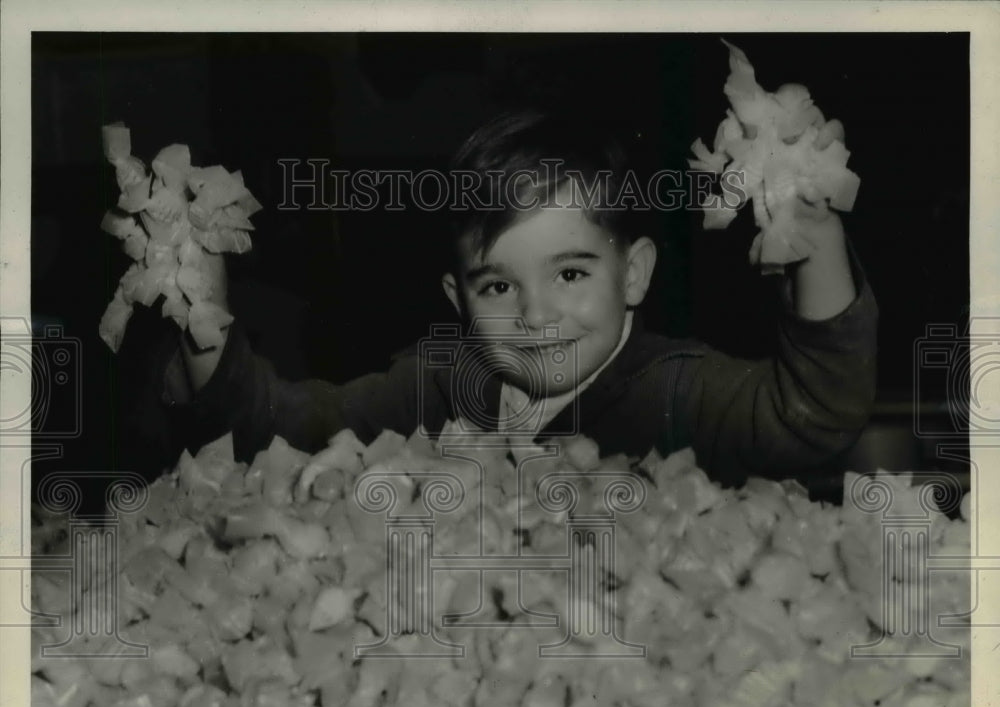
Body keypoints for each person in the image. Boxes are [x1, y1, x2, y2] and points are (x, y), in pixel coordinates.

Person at [134, 109, 877, 488]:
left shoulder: (680, 389)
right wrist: (203, 315)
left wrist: (816, 243)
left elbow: (811, 413)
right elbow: (275, 435)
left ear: (637, 275)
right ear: (458, 298)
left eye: (572, 274)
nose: (534, 315)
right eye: (498, 285)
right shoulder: (434, 388)